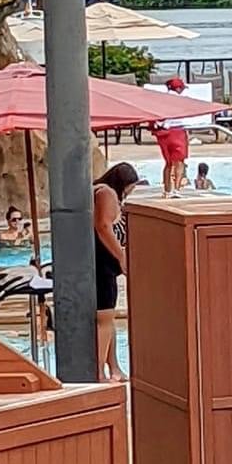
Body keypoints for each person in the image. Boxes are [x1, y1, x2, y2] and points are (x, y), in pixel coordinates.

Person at [93, 162, 141, 381]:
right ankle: (99, 371)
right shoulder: (106, 192)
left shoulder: (104, 192)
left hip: (104, 264)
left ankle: (113, 367)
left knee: (109, 319)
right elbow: (103, 226)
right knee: (104, 316)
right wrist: (122, 257)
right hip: (101, 263)